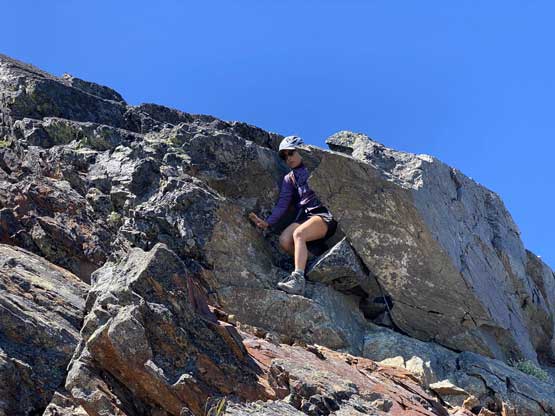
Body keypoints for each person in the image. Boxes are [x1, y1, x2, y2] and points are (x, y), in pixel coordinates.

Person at [249, 135, 338, 296]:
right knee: (284, 240)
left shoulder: (316, 166)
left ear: (301, 150)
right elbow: (283, 204)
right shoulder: (289, 178)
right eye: (284, 156)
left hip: (324, 214)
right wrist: (268, 222)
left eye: (291, 153)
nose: (288, 158)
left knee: (299, 234)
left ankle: (298, 280)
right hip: (306, 216)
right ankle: (312, 263)